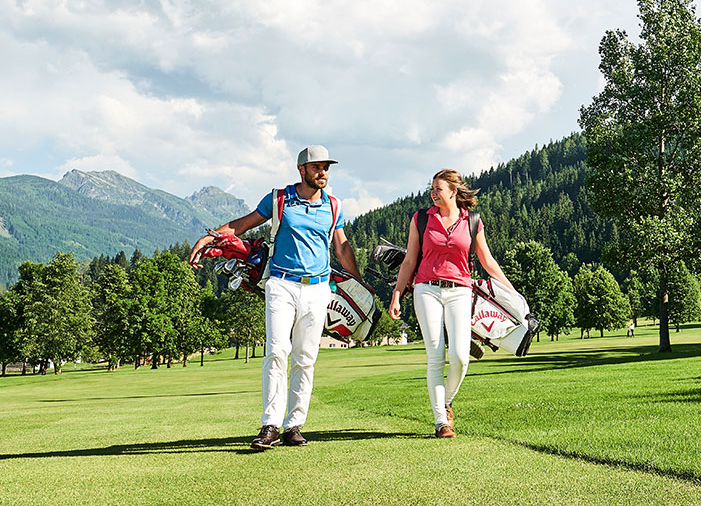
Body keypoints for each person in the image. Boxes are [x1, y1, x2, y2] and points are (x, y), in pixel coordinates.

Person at [188, 145, 363, 450]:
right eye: (316, 167)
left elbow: (343, 247)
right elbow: (242, 224)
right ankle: (270, 424)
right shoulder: (279, 199)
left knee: (305, 359)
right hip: (281, 284)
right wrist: (211, 237)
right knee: (277, 352)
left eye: (326, 168)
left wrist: (359, 284)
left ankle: (294, 425)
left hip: (318, 288)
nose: (322, 173)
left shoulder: (333, 206)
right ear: (302, 170)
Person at [387, 169, 513, 438]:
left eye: (438, 189)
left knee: (459, 357)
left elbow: (487, 261)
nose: (433, 193)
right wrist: (398, 293)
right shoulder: (421, 219)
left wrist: (511, 292)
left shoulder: (473, 220)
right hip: (426, 290)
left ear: (453, 192)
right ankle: (441, 422)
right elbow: (410, 260)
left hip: (460, 291)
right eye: (431, 188)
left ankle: (447, 402)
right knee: (435, 357)